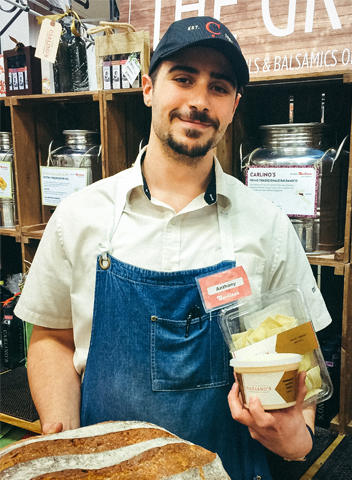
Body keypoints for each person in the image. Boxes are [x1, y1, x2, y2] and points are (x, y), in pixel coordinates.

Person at [15, 16, 332, 479]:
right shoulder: (80, 216)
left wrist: (294, 439)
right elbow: (53, 338)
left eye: (219, 88)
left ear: (234, 105)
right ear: (148, 88)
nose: (199, 101)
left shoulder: (266, 227)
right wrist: (65, 442)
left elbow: (293, 360)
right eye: (183, 79)